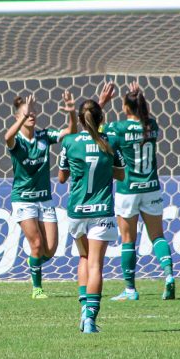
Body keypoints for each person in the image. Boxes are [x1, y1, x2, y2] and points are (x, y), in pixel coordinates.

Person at [102, 82, 176, 301]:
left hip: (128, 190)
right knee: (158, 236)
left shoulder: (118, 128)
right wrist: (139, 96)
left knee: (128, 240)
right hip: (151, 188)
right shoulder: (151, 125)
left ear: (125, 108)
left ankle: (130, 289)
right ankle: (169, 275)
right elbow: (145, 117)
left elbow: (93, 128)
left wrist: (102, 103)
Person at [57, 99, 125, 333]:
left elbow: (62, 178)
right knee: (96, 264)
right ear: (102, 120)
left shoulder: (69, 142)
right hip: (101, 210)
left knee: (83, 259)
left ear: (79, 120)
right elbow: (122, 175)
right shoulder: (111, 141)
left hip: (77, 211)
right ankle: (90, 320)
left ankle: (83, 310)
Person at [3, 91, 75, 299]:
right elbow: (6, 137)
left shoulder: (44, 136)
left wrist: (71, 113)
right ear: (18, 118)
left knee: (49, 250)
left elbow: (69, 133)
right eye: (26, 113)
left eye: (33, 111)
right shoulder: (16, 141)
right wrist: (24, 116)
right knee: (35, 244)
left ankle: (33, 262)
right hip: (23, 200)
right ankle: (37, 288)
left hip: (45, 199)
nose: (31, 115)